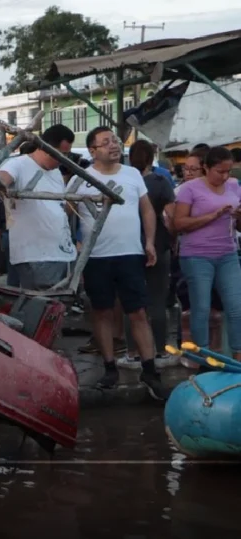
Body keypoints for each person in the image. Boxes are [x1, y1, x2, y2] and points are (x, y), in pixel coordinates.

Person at [75, 127, 165, 398]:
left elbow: (146, 209)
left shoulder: (133, 174)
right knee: (102, 312)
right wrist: (75, 246)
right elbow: (64, 210)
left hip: (130, 253)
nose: (113, 145)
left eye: (114, 140)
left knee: (138, 312)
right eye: (106, 142)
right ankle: (110, 366)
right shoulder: (81, 178)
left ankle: (150, 370)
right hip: (96, 256)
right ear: (93, 151)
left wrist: (148, 241)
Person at [0, 126, 77, 290]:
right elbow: (3, 178)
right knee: (41, 304)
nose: (64, 159)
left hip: (60, 252)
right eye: (61, 154)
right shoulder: (18, 164)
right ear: (45, 147)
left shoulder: (55, 173)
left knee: (58, 306)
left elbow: (59, 207)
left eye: (67, 154)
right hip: (36, 255)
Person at [172, 146, 241, 363]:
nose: (225, 176)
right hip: (197, 255)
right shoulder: (189, 189)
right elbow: (179, 223)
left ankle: (237, 356)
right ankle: (202, 357)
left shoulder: (233, 186)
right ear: (206, 167)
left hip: (228, 252)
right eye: (220, 171)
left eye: (228, 171)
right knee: (201, 307)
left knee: (236, 306)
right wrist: (214, 215)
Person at [120, 140, 177, 371]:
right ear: (152, 157)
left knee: (132, 304)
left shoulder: (124, 181)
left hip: (128, 246)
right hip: (159, 245)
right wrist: (173, 240)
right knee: (157, 300)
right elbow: (171, 217)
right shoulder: (161, 182)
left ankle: (132, 353)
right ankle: (161, 351)